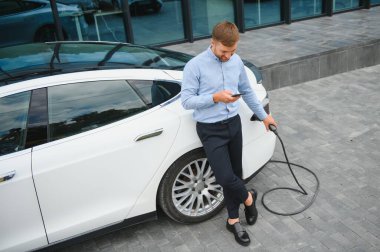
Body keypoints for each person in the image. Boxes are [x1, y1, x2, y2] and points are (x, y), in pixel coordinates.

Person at [181, 21, 277, 246]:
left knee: (235, 172)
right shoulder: (194, 66)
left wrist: (264, 116)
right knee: (225, 177)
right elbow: (186, 101)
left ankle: (233, 220)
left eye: (233, 51)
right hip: (210, 129)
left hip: (233, 125)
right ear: (212, 43)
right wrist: (215, 97)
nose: (228, 56)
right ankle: (248, 198)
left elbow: (247, 92)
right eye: (225, 51)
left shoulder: (236, 62)